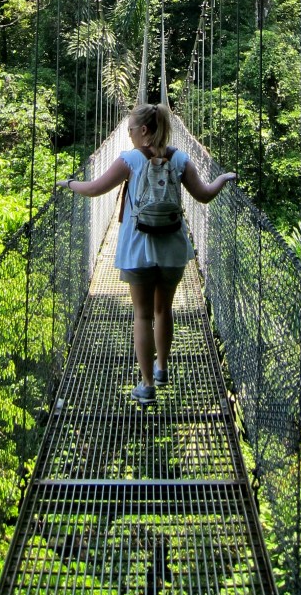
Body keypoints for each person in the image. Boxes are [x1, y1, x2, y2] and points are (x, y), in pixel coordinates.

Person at [58, 101, 235, 404]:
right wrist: (223, 178)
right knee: (164, 309)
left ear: (142, 130)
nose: (127, 134)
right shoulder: (180, 159)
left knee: (142, 314)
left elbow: (95, 189)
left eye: (129, 129)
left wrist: (70, 183)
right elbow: (204, 195)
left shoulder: (129, 160)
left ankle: (147, 385)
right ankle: (162, 369)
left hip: (137, 249)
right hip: (172, 249)